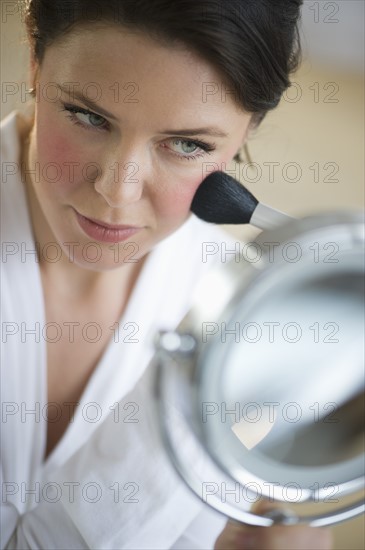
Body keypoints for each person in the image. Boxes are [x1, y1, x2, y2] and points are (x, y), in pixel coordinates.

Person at [1, 0, 333, 548]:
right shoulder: (234, 351)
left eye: (186, 145)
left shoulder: (257, 321)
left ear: (249, 130)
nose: (117, 190)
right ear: (35, 65)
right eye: (88, 115)